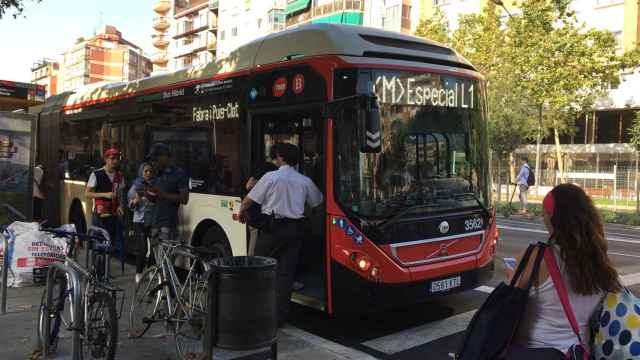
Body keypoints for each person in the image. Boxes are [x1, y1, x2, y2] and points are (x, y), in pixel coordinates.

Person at [503, 183, 620, 359]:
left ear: (552, 218)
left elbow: (509, 296)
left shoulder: (536, 256)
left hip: (535, 352)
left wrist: (510, 273)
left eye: (545, 213)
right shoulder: (600, 261)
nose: (543, 218)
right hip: (578, 353)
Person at [237, 143, 323, 326]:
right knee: (285, 275)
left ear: (281, 158)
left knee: (259, 269)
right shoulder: (304, 180)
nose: (274, 159)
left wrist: (242, 213)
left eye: (275, 156)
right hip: (294, 230)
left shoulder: (271, 177)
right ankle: (279, 318)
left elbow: (248, 201)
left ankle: (257, 313)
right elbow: (317, 202)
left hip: (272, 229)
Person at [145, 143, 189, 242]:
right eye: (152, 160)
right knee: (157, 257)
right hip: (155, 224)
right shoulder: (157, 173)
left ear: (164, 157)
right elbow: (156, 198)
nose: (153, 162)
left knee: (167, 256)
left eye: (155, 159)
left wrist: (162, 194)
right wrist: (147, 194)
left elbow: (184, 199)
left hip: (168, 226)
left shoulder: (179, 174)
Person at [85, 148, 125, 246]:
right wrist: (104, 194)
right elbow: (87, 194)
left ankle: (107, 259)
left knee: (110, 243)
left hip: (113, 214)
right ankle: (96, 260)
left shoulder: (119, 176)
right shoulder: (96, 174)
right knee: (97, 243)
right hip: (100, 214)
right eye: (112, 158)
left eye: (117, 159)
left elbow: (120, 193)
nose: (115, 161)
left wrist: (120, 205)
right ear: (106, 159)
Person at [244, 161, 278, 255]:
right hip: (257, 214)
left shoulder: (274, 172)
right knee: (255, 242)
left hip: (262, 216)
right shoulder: (266, 169)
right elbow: (248, 185)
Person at [128, 163, 154, 283]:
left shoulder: (154, 185)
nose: (148, 174)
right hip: (139, 221)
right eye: (146, 171)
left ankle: (150, 270)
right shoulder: (136, 186)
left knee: (154, 248)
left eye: (150, 171)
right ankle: (139, 272)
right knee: (143, 248)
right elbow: (130, 204)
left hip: (152, 221)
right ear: (141, 172)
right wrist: (136, 201)